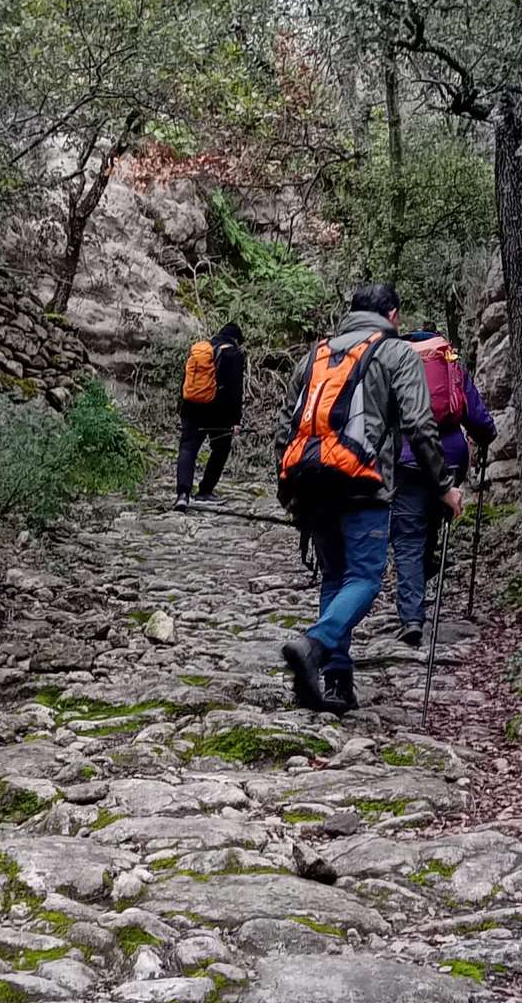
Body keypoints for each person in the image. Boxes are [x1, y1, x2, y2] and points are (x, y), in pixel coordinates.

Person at [274, 282, 455, 714]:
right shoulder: (397, 354)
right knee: (364, 579)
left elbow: (284, 427)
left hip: (312, 484)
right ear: (392, 315)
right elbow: (419, 426)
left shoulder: (315, 356)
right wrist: (444, 486)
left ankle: (337, 684)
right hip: (363, 486)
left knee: (334, 578)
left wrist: (287, 491)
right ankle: (315, 644)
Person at [390, 330, 496, 645]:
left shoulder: (393, 363)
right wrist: (485, 436)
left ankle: (411, 617)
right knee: (432, 520)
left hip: (406, 459)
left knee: (408, 537)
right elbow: (478, 418)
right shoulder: (450, 363)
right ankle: (427, 564)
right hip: (450, 457)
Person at [174, 320, 245, 510]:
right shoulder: (233, 353)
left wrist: (181, 409)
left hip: (191, 408)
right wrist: (236, 420)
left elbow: (186, 382)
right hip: (218, 413)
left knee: (188, 448)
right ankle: (205, 491)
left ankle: (182, 494)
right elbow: (235, 389)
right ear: (236, 339)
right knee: (221, 449)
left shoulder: (200, 350)